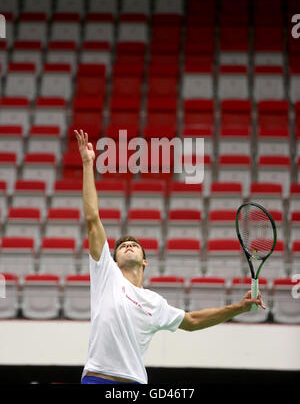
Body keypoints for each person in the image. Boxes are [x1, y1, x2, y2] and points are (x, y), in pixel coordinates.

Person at [74, 129, 266, 385]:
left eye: (134, 244)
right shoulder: (105, 275)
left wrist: (239, 307)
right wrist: (88, 164)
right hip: (98, 380)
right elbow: (92, 218)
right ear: (114, 259)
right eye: (122, 246)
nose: (128, 246)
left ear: (145, 260)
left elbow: (192, 320)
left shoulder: (155, 302)